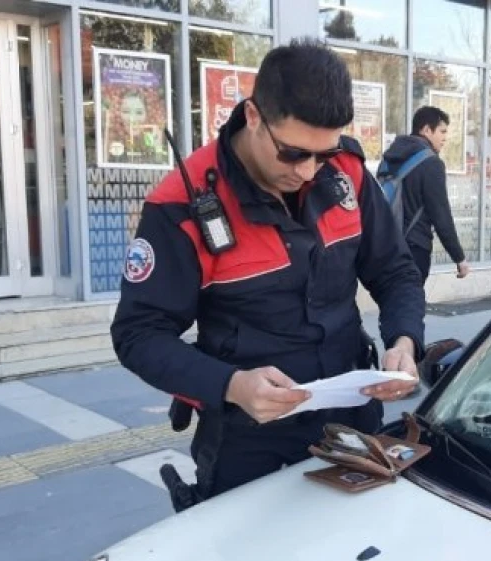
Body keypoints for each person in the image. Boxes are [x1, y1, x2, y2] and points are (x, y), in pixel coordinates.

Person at [110, 38, 426, 510]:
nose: (308, 171)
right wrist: (231, 385)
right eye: (294, 154)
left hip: (350, 415)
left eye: (324, 154)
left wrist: (404, 342)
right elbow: (138, 334)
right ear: (254, 116)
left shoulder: (346, 173)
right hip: (247, 432)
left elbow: (395, 270)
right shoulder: (181, 204)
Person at [378, 105, 470, 283]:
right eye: (442, 132)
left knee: (392, 304)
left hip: (386, 246)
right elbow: (441, 214)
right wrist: (459, 258)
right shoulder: (431, 163)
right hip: (413, 248)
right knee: (410, 305)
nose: (445, 138)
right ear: (426, 130)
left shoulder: (389, 157)